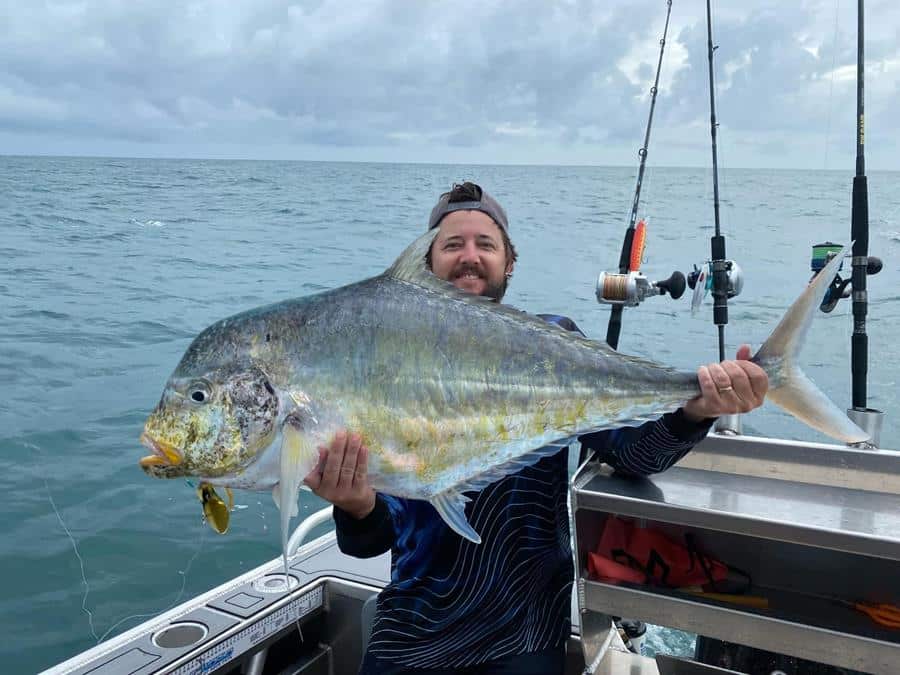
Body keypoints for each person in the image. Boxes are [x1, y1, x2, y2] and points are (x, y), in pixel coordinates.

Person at [303, 182, 769, 675]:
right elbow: (372, 539)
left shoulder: (555, 346)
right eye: (452, 244)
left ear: (509, 263)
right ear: (425, 264)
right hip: (414, 630)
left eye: (486, 244)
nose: (469, 256)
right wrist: (354, 504)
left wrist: (697, 409)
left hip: (525, 631)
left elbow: (637, 457)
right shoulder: (387, 362)